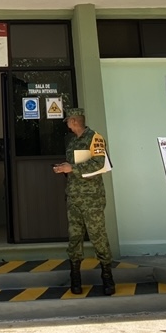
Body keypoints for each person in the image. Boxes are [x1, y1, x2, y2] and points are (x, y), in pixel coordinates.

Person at [53, 108, 115, 296]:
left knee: (98, 236)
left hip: (92, 198)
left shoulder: (95, 138)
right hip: (74, 197)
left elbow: (100, 164)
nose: (67, 124)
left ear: (74, 121)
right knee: (75, 237)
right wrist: (64, 169)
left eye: (68, 121)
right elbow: (74, 168)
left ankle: (107, 276)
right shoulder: (72, 142)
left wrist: (71, 168)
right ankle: (75, 277)